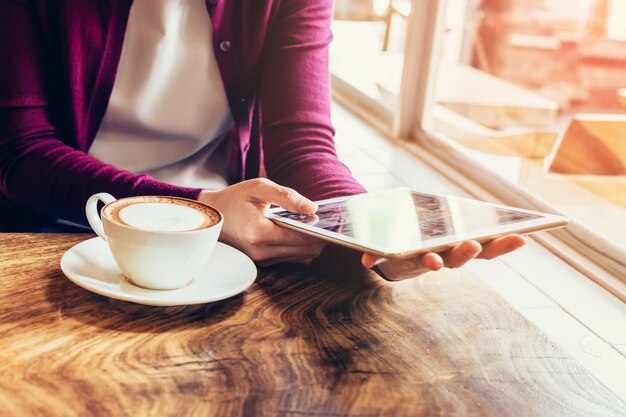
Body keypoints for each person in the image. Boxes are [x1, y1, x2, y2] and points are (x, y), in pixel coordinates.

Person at [0, 0, 525, 273]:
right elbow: (21, 152)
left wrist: (374, 239)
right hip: (57, 229)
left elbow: (304, 145)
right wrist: (200, 210)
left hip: (225, 243)